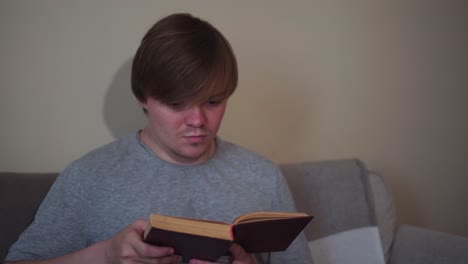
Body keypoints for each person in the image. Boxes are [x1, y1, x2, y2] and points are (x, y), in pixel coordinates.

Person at [4, 13, 313, 264]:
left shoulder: (262, 176)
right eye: (176, 104)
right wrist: (105, 254)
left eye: (213, 102)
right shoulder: (90, 176)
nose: (197, 121)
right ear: (143, 97)